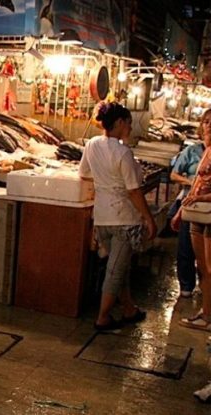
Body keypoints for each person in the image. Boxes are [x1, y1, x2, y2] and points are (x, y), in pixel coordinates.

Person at [79, 102, 156, 331]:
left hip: (102, 217)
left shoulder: (92, 144)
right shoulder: (123, 152)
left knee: (118, 266)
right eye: (129, 123)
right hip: (123, 219)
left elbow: (84, 174)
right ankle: (103, 317)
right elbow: (133, 191)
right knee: (115, 270)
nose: (131, 128)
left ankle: (129, 309)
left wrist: (105, 184)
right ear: (120, 123)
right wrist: (148, 218)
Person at [172, 108, 211, 332]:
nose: (209, 126)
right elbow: (195, 182)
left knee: (209, 268)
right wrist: (180, 211)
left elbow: (200, 189)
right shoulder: (202, 151)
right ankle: (205, 312)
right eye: (206, 121)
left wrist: (202, 197)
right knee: (203, 268)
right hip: (197, 213)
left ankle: (207, 316)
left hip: (207, 213)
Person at [168, 140, 205, 298]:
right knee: (186, 245)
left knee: (206, 250)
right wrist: (192, 182)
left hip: (206, 204)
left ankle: (205, 284)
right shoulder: (192, 150)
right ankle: (186, 285)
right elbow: (174, 174)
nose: (209, 126)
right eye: (207, 122)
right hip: (190, 204)